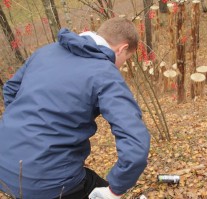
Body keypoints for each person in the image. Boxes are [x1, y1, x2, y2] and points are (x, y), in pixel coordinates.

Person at [0, 17, 150, 199]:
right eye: (126, 59)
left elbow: (10, 89)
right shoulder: (104, 73)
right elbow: (136, 144)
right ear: (123, 48)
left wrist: (23, 126)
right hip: (51, 183)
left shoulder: (44, 52)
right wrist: (115, 190)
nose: (122, 65)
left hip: (4, 168)